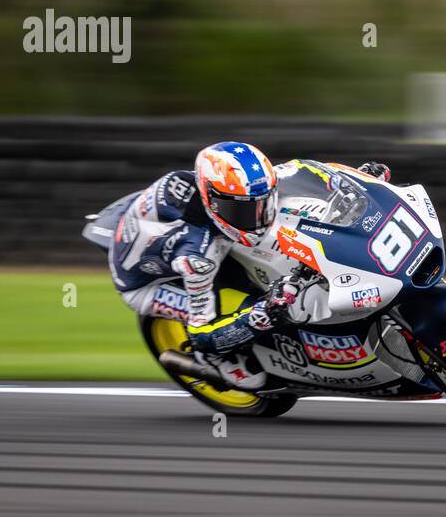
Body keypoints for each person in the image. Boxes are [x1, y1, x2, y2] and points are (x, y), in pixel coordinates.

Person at [108, 140, 389, 387]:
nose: (258, 217)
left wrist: (359, 180)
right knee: (244, 306)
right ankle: (217, 365)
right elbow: (202, 333)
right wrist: (262, 314)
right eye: (242, 210)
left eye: (262, 203)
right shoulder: (195, 256)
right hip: (145, 284)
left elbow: (309, 170)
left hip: (159, 226)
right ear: (213, 203)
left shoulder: (235, 189)